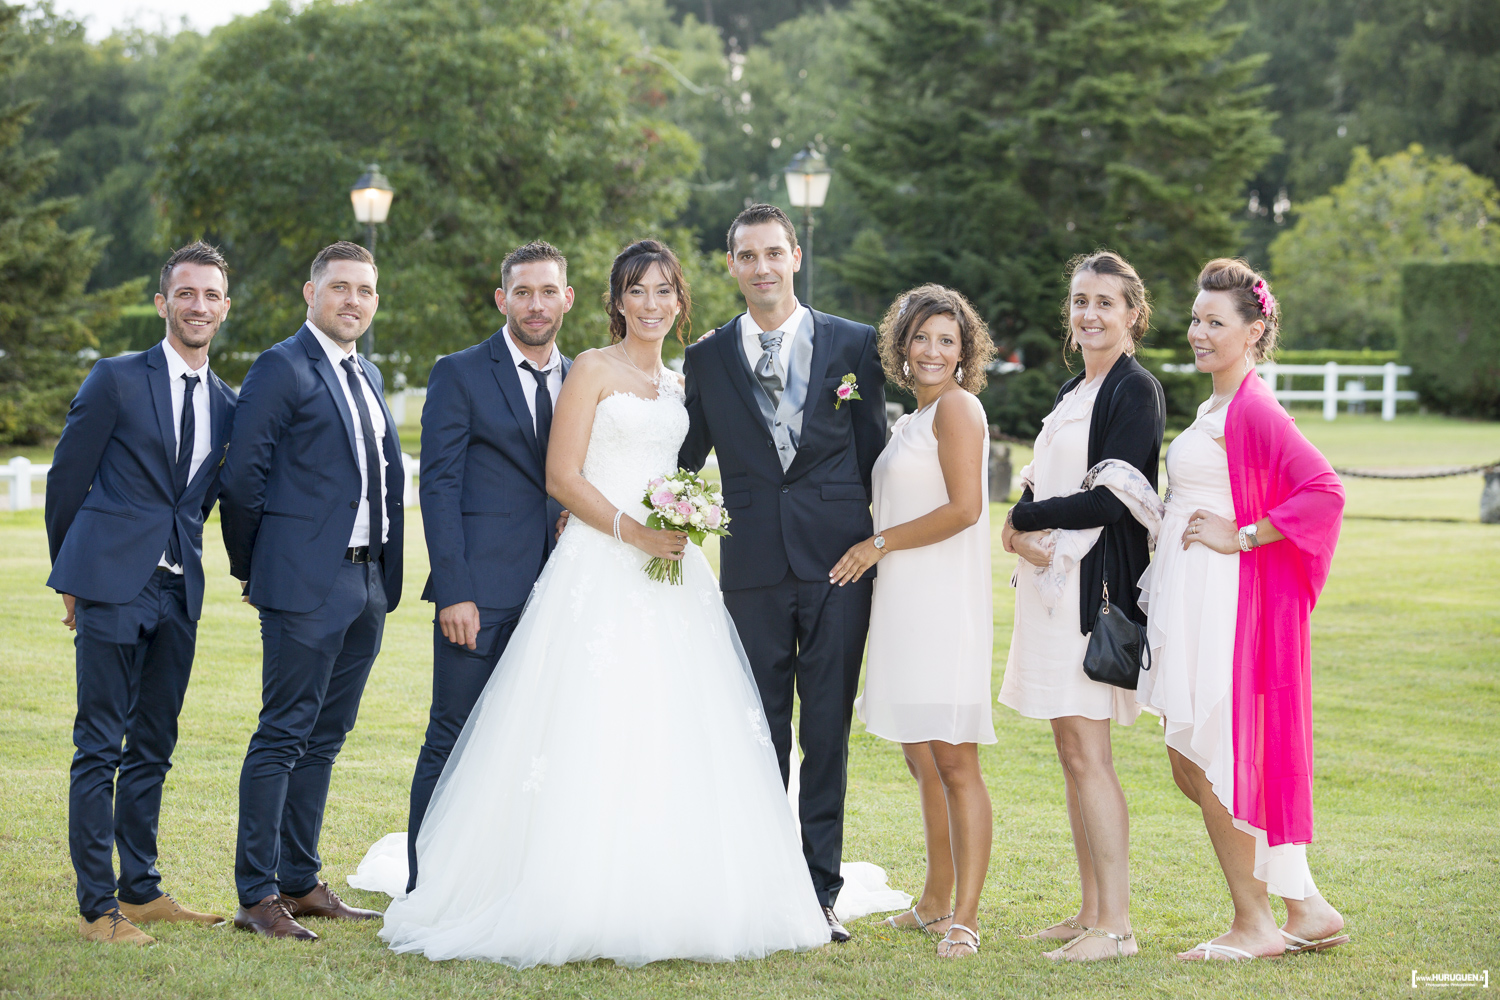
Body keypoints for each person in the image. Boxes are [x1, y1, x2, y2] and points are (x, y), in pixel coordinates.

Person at [376, 239, 830, 967]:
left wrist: (690, 518)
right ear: (615, 301)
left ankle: (663, 888)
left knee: (668, 727)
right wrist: (633, 532)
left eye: (664, 291)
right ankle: (527, 884)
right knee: (582, 722)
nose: (651, 304)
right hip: (599, 564)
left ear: (680, 302)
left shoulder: (682, 386)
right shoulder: (590, 368)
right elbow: (562, 476)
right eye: (636, 291)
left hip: (673, 578)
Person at [678, 204, 887, 941]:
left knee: (825, 731)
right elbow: (683, 459)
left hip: (840, 564)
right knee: (757, 728)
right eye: (747, 255)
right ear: (731, 265)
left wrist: (881, 544)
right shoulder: (705, 358)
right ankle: (761, 886)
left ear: (795, 255)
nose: (762, 267)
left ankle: (819, 890)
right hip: (753, 563)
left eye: (774, 252)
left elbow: (874, 451)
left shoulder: (854, 344)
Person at [1136, 259, 1349, 960]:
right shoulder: (1217, 407)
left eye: (1215, 322)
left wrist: (1245, 535)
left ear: (1253, 331)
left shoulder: (1254, 408)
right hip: (1192, 594)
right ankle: (1306, 906)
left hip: (1224, 605)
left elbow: (1323, 491)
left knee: (1207, 757)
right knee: (1190, 760)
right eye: (1196, 319)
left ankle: (1255, 924)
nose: (1198, 333)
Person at [45, 241, 238, 944]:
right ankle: (98, 908)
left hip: (178, 591)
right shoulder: (116, 378)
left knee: (154, 742)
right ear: (163, 303)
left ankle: (142, 889)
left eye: (210, 295)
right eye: (185, 293)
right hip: (109, 583)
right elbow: (67, 480)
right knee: (100, 744)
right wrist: (73, 576)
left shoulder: (229, 403)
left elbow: (205, 499)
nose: (198, 306)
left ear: (225, 308)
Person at [220, 241, 405, 939]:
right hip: (302, 582)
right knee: (283, 734)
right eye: (340, 288)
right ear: (311, 293)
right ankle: (256, 894)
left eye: (365, 290)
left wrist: (381, 575)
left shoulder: (369, 372)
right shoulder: (281, 366)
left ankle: (299, 881)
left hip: (367, 581)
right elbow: (243, 479)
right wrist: (256, 569)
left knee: (326, 737)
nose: (353, 300)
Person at [998, 250, 1165, 961]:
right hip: (1050, 590)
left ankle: (1117, 927)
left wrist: (1025, 521)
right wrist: (1020, 519)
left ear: (1132, 314)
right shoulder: (1076, 389)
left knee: (1090, 755)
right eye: (1079, 301)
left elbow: (1111, 501)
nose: (1089, 314)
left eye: (1104, 302)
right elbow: (1044, 479)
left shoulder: (1135, 390)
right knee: (1070, 751)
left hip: (1090, 595)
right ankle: (1089, 910)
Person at [400, 241, 573, 894]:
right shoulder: (460, 372)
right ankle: (426, 886)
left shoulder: (584, 376)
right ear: (502, 299)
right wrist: (455, 590)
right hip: (480, 593)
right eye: (522, 292)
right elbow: (438, 487)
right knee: (451, 737)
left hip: (562, 590)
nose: (536, 305)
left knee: (538, 745)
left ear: (567, 298)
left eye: (547, 291)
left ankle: (512, 882)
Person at [836, 285, 996, 959]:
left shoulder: (957, 408)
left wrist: (878, 543)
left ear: (964, 351)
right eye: (921, 338)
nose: (932, 351)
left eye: (946, 340)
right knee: (921, 756)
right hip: (903, 602)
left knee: (954, 758)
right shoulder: (912, 418)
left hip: (942, 602)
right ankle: (933, 902)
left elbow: (965, 509)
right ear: (902, 346)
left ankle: (966, 916)